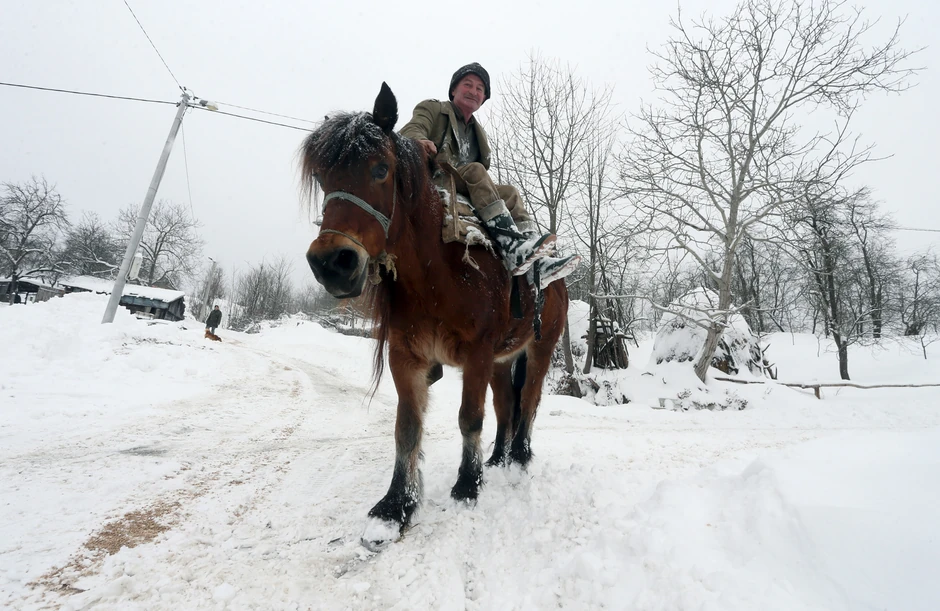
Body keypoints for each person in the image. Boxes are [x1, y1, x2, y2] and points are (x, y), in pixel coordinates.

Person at [398, 62, 580, 289]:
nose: (474, 91)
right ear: (454, 89)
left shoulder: (478, 132)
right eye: (468, 85)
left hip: (466, 185)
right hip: (436, 179)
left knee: (511, 193)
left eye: (479, 89)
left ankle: (536, 260)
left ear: (483, 99)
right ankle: (511, 244)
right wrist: (420, 140)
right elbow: (411, 128)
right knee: (476, 170)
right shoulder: (434, 109)